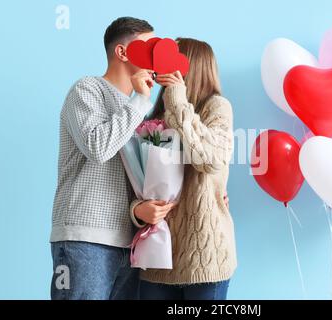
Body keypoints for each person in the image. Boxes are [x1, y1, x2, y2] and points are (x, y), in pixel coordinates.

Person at [50, 17, 176, 300]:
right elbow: (98, 147)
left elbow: (133, 182)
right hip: (85, 240)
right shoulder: (86, 90)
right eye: (149, 47)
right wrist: (141, 101)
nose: (156, 55)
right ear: (122, 52)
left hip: (130, 243)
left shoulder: (137, 110)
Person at [131, 38, 237, 300]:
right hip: (157, 259)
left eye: (172, 60)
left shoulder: (217, 107)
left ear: (192, 67)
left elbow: (209, 159)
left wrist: (177, 101)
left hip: (204, 257)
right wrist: (136, 210)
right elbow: (132, 180)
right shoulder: (154, 116)